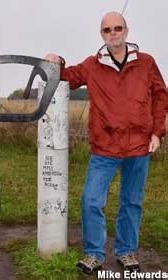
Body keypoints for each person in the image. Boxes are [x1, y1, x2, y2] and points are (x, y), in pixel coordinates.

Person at [44, 11, 167, 274]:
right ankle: (94, 254)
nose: (113, 33)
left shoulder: (146, 63)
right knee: (91, 200)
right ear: (102, 34)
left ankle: (126, 251)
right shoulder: (92, 64)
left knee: (132, 201)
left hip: (139, 146)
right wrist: (56, 61)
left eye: (118, 28)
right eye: (108, 30)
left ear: (126, 31)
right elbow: (67, 75)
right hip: (105, 147)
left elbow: (160, 96)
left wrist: (157, 133)